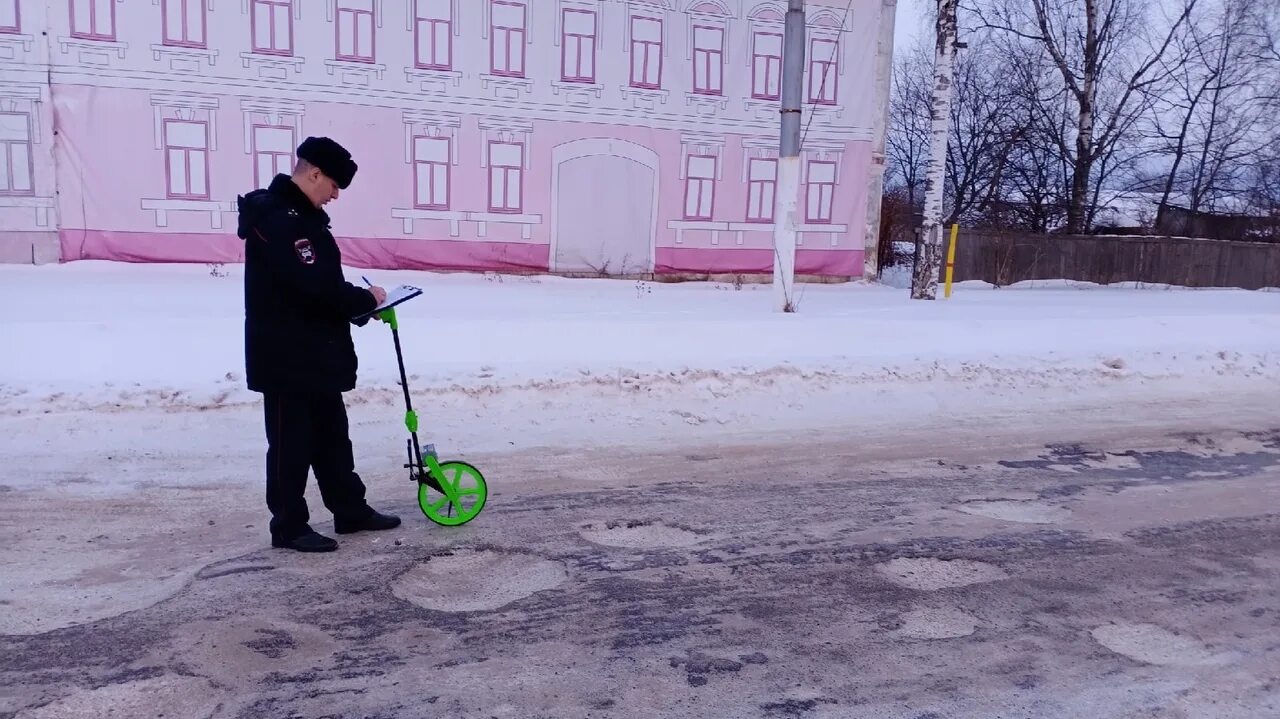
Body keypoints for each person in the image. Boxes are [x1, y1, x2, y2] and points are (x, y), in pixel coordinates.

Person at [235, 136, 401, 553]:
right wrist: (366, 299)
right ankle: (289, 526)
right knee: (290, 446)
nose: (336, 195)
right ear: (313, 174)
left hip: (315, 351)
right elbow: (313, 287)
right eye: (333, 185)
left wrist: (361, 305)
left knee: (332, 437)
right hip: (286, 357)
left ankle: (349, 509)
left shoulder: (301, 217)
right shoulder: (279, 219)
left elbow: (319, 285)